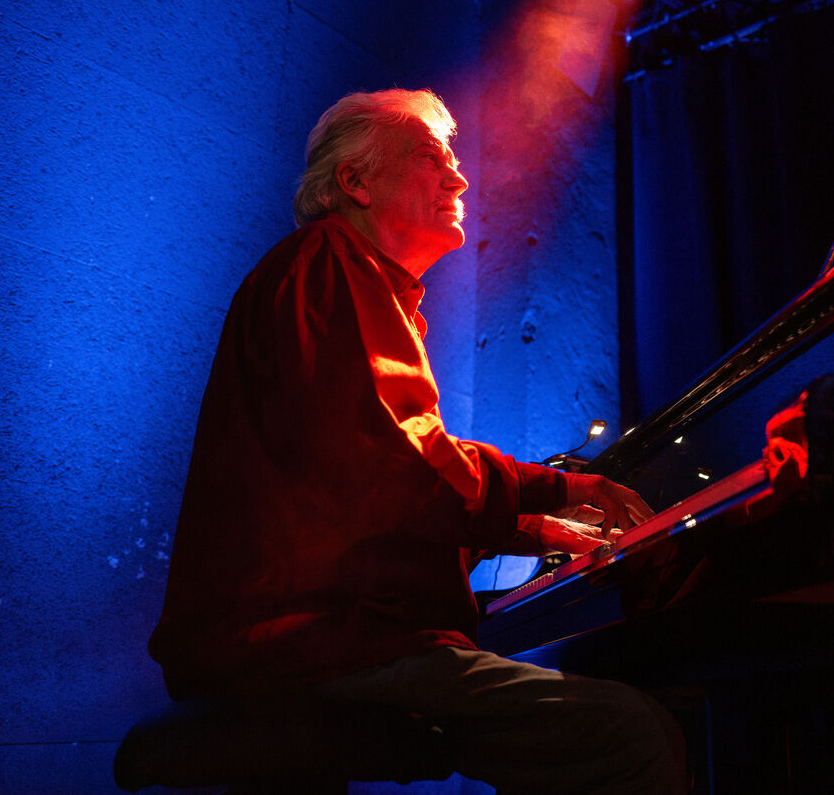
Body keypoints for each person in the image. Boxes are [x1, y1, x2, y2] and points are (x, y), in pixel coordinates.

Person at [149, 89, 687, 794]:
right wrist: (559, 487)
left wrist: (531, 528)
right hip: (313, 640)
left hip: (308, 633)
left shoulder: (349, 279)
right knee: (628, 731)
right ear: (356, 181)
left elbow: (367, 500)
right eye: (432, 158)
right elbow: (399, 462)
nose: (459, 179)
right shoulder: (330, 263)